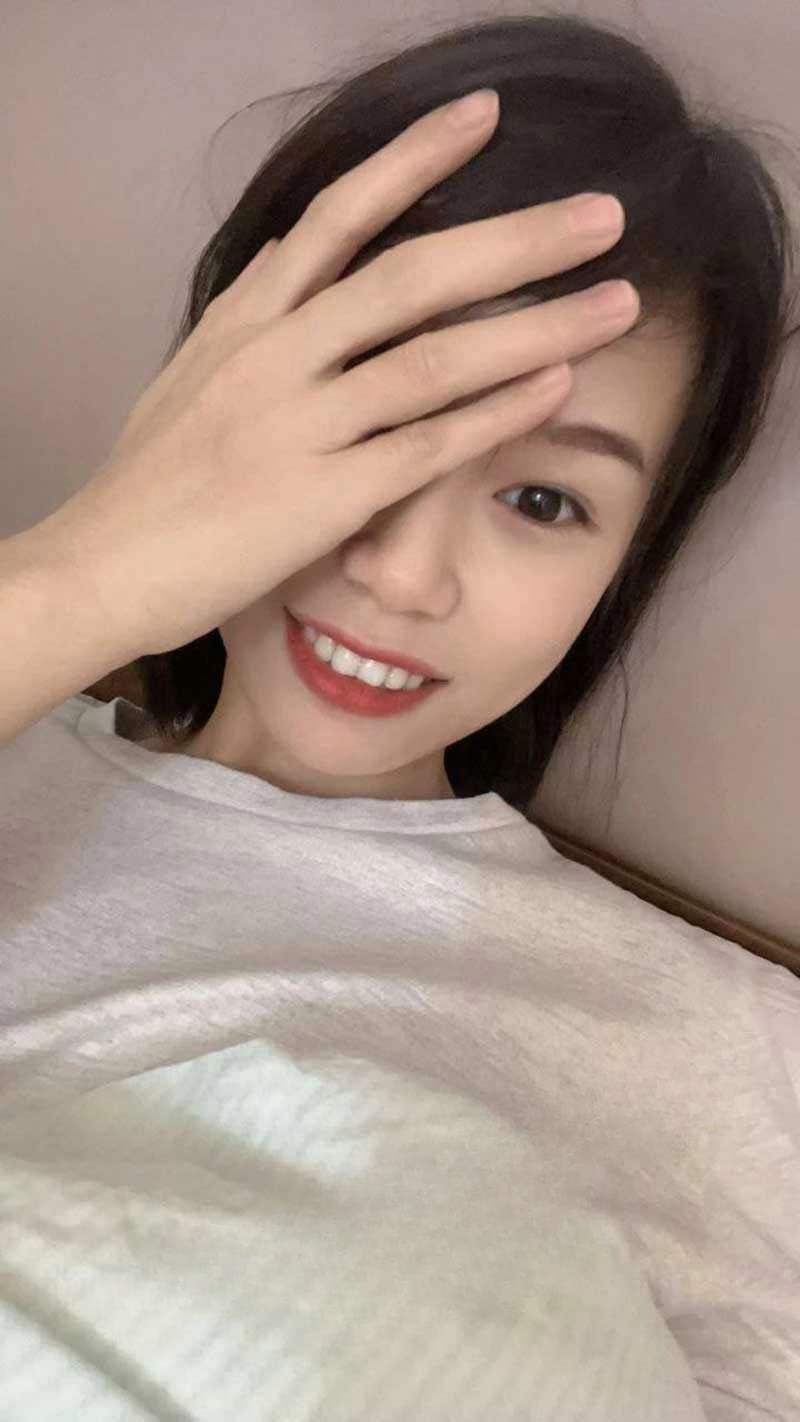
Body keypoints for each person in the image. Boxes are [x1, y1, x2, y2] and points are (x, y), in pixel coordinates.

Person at [0, 12, 798, 1420]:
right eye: (369, 429)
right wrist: (88, 572)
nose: (404, 574)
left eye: (544, 498)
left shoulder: (731, 1057)